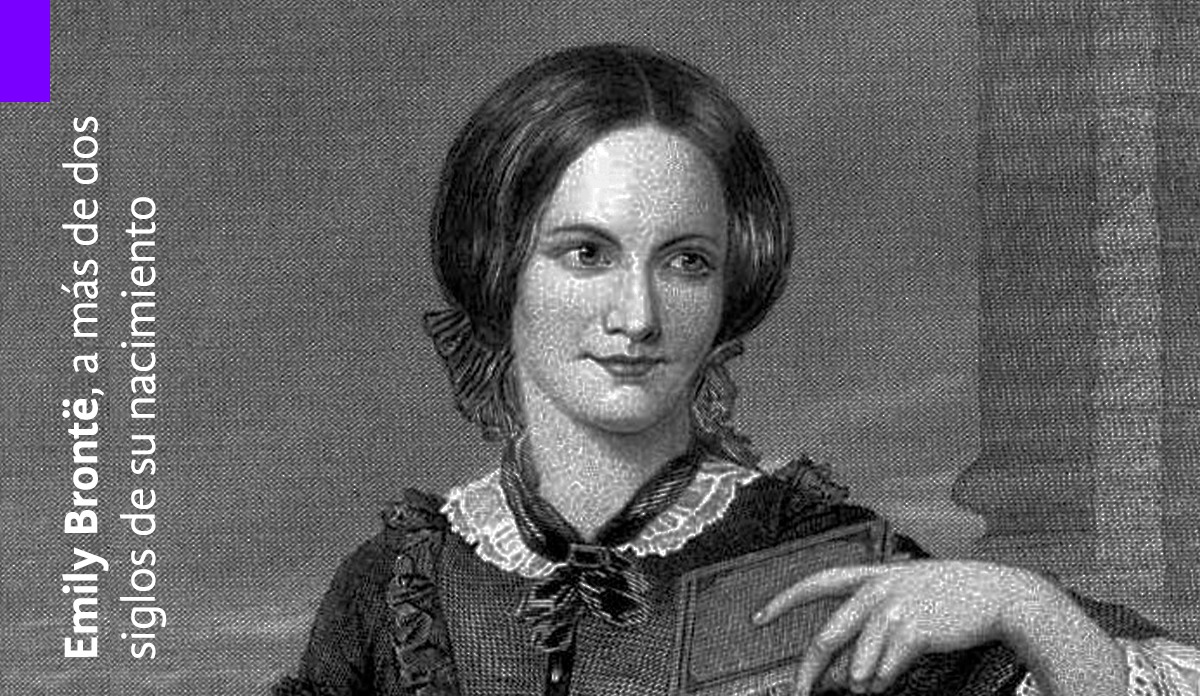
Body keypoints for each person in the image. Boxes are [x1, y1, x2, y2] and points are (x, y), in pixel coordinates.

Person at [274, 44, 1199, 696]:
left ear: (732, 286)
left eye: (686, 262)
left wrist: (1024, 606)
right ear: (499, 268)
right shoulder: (401, 582)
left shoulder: (813, 557)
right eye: (586, 254)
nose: (638, 317)